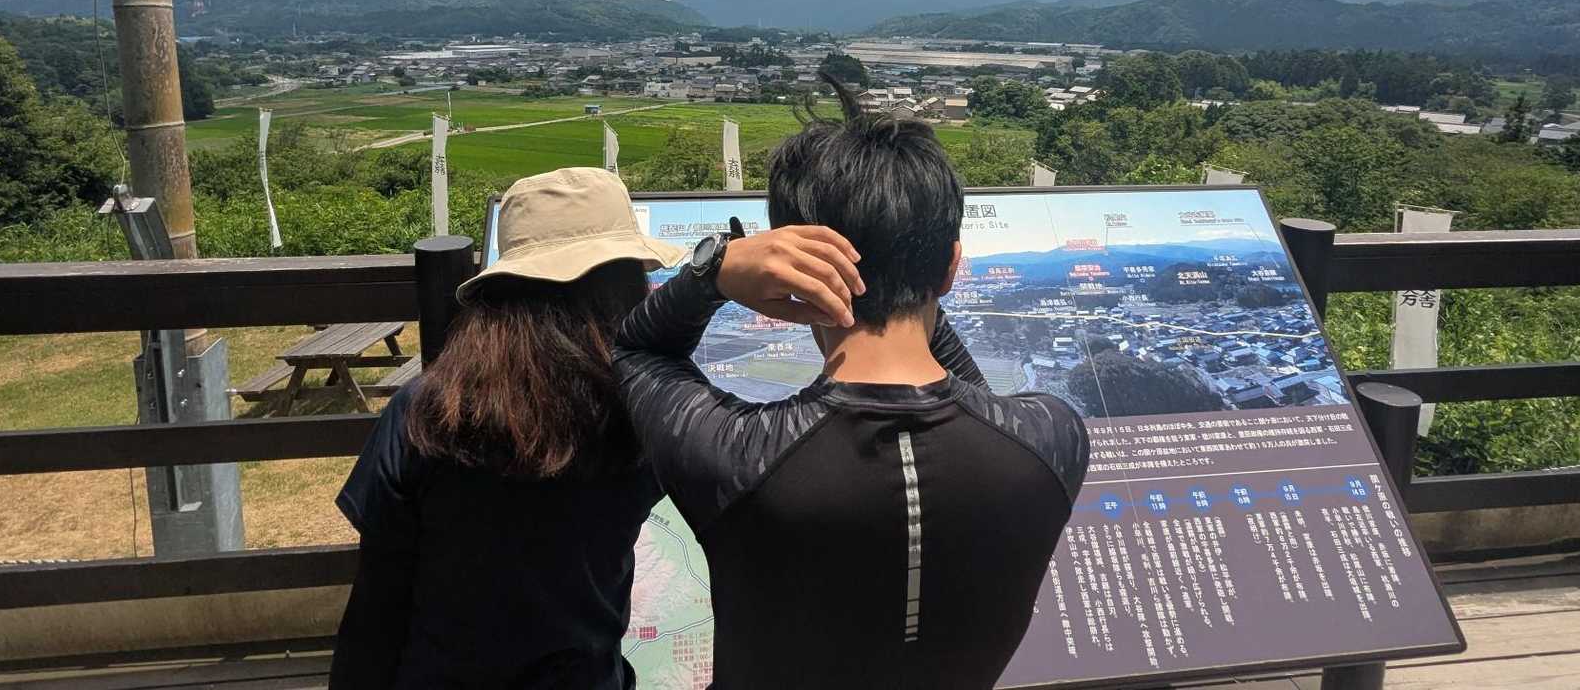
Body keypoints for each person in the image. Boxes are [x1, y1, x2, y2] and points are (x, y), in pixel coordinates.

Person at [614, 81, 1090, 689]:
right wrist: (907, 270)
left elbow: (635, 348)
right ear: (951, 267)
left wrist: (714, 271)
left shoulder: (734, 457)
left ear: (793, 272)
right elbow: (979, 402)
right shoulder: (1052, 440)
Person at [331, 168, 685, 689]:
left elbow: (376, 607)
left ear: (499, 291)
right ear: (627, 289)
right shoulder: (638, 415)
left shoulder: (425, 414)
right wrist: (710, 284)